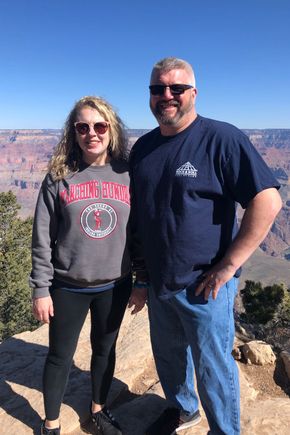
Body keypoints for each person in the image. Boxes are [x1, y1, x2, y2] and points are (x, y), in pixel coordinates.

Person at [129, 57, 282, 435]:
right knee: (168, 357)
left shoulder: (221, 138)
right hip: (161, 279)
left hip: (205, 285)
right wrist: (142, 277)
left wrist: (229, 266)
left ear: (193, 93)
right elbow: (142, 215)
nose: (166, 95)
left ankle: (224, 430)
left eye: (176, 88)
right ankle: (182, 409)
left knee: (213, 367)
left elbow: (267, 200)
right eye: (157, 88)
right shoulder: (143, 148)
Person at [30, 96, 147, 435]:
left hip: (116, 284)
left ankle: (98, 410)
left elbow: (137, 232)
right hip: (68, 286)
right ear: (74, 132)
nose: (91, 134)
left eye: (99, 126)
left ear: (111, 129)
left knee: (104, 350)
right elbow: (41, 238)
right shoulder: (59, 177)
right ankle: (51, 424)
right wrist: (41, 288)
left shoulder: (128, 174)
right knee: (59, 356)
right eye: (83, 127)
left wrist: (142, 282)